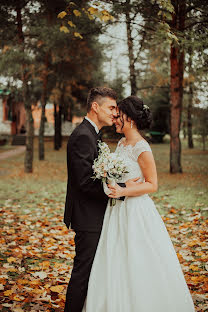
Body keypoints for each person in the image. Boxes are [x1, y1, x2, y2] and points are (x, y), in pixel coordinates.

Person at [82, 96, 195, 312]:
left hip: (136, 212)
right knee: (115, 259)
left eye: (119, 115)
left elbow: (152, 185)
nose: (115, 118)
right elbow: (117, 175)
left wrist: (124, 190)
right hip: (116, 212)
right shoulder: (122, 143)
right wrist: (111, 181)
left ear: (130, 119)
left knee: (137, 259)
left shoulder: (142, 147)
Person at [64, 87, 120, 312]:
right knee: (83, 273)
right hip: (88, 217)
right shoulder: (83, 136)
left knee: (90, 272)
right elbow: (85, 182)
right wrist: (116, 190)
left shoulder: (92, 134)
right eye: (111, 107)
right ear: (95, 107)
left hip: (94, 214)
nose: (115, 113)